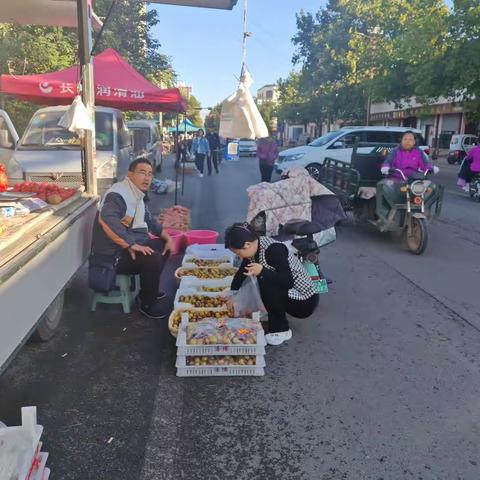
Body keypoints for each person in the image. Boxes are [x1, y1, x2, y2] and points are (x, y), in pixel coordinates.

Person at [90, 158, 175, 319]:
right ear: (130, 174)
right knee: (153, 258)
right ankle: (147, 303)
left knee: (163, 246)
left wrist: (167, 238)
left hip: (127, 246)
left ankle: (150, 288)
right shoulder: (117, 195)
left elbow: (150, 220)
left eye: (150, 174)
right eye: (142, 173)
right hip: (112, 254)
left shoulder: (136, 195)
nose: (147, 178)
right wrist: (130, 244)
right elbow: (107, 219)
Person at [225, 223, 319, 346]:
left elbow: (287, 281)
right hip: (289, 294)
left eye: (238, 253)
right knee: (261, 277)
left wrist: (262, 271)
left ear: (247, 245)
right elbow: (241, 273)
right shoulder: (255, 247)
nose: (238, 256)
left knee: (265, 280)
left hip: (304, 301)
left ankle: (281, 329)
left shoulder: (273, 250)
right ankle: (272, 314)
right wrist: (233, 294)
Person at [376, 131, 439, 221]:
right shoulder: (395, 151)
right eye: (405, 139)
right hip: (397, 179)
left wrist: (431, 168)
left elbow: (425, 164)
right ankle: (384, 214)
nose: (407, 141)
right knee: (383, 186)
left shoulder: (418, 152)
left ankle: (424, 208)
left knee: (432, 187)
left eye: (410, 139)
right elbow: (387, 162)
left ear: (414, 142)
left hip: (414, 181)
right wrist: (386, 167)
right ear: (401, 141)